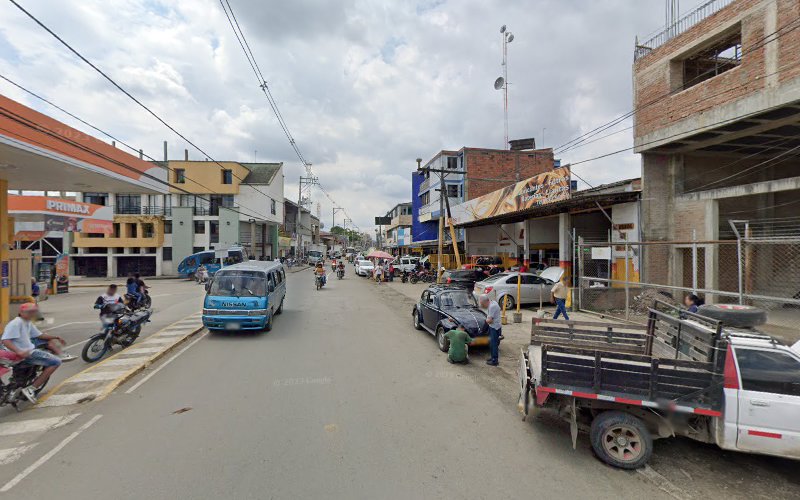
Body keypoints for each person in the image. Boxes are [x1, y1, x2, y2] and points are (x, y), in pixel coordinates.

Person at [1, 303, 73, 403]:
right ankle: (31, 389)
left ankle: (15, 387)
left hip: (22, 352)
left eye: (33, 311)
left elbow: (39, 335)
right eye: (29, 312)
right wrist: (19, 352)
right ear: (21, 313)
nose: (32, 314)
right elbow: (5, 340)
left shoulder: (27, 322)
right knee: (56, 362)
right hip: (25, 353)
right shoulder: (16, 323)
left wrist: (55, 337)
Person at [479, 294, 502, 366]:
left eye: (482, 304)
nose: (482, 306)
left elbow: (489, 320)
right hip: (495, 326)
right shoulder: (493, 303)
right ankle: (492, 357)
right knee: (491, 343)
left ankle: (495, 360)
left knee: (493, 344)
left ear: (485, 301)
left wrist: (486, 321)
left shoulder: (492, 307)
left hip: (494, 328)